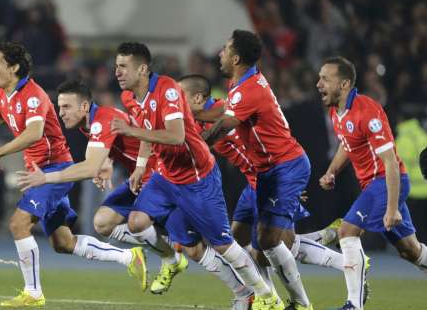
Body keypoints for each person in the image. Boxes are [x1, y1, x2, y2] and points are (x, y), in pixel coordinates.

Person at [16, 80, 253, 307]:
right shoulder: (92, 123)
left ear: (85, 106)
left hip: (162, 178)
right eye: (59, 107)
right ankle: (170, 256)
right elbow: (119, 143)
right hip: (140, 180)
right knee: (103, 222)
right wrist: (107, 161)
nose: (61, 113)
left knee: (193, 248)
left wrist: (45, 178)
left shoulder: (103, 119)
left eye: (66, 106)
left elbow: (92, 165)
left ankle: (242, 290)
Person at [0, 42, 146, 308]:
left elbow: (34, 132)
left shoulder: (32, 95)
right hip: (38, 171)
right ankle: (129, 257)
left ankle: (33, 293)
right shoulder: (3, 94)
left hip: (55, 168)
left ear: (14, 67)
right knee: (63, 242)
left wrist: (0, 151)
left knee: (18, 224)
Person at [109, 42, 284, 310]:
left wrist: (131, 133)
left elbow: (176, 136)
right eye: (116, 66)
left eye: (123, 66)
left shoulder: (167, 89)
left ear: (142, 69)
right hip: (166, 177)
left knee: (225, 246)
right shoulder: (130, 97)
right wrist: (142, 165)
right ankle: (174, 262)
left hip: (197, 178)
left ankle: (266, 296)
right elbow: (148, 128)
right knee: (137, 222)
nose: (117, 72)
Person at [179, 74, 350, 297]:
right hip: (253, 184)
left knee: (276, 246)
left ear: (198, 99)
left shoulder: (227, 113)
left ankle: (347, 264)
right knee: (243, 247)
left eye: (180, 97)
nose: (176, 103)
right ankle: (323, 240)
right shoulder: (198, 120)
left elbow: (261, 144)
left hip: (269, 180)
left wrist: (286, 184)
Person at [205, 31, 313, 310]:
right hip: (265, 171)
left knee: (267, 240)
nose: (221, 53)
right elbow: (224, 115)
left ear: (236, 57)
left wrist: (198, 144)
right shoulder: (240, 83)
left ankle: (299, 304)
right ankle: (263, 297)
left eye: (226, 49)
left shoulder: (248, 88)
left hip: (284, 167)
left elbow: (225, 125)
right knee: (239, 238)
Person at [316, 56, 427, 310]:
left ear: (344, 84)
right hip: (373, 186)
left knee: (346, 232)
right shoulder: (337, 112)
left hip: (385, 183)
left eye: (325, 78)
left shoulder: (368, 110)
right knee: (410, 250)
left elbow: (390, 162)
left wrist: (391, 208)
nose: (318, 83)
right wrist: (332, 171)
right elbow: (348, 144)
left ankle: (354, 305)